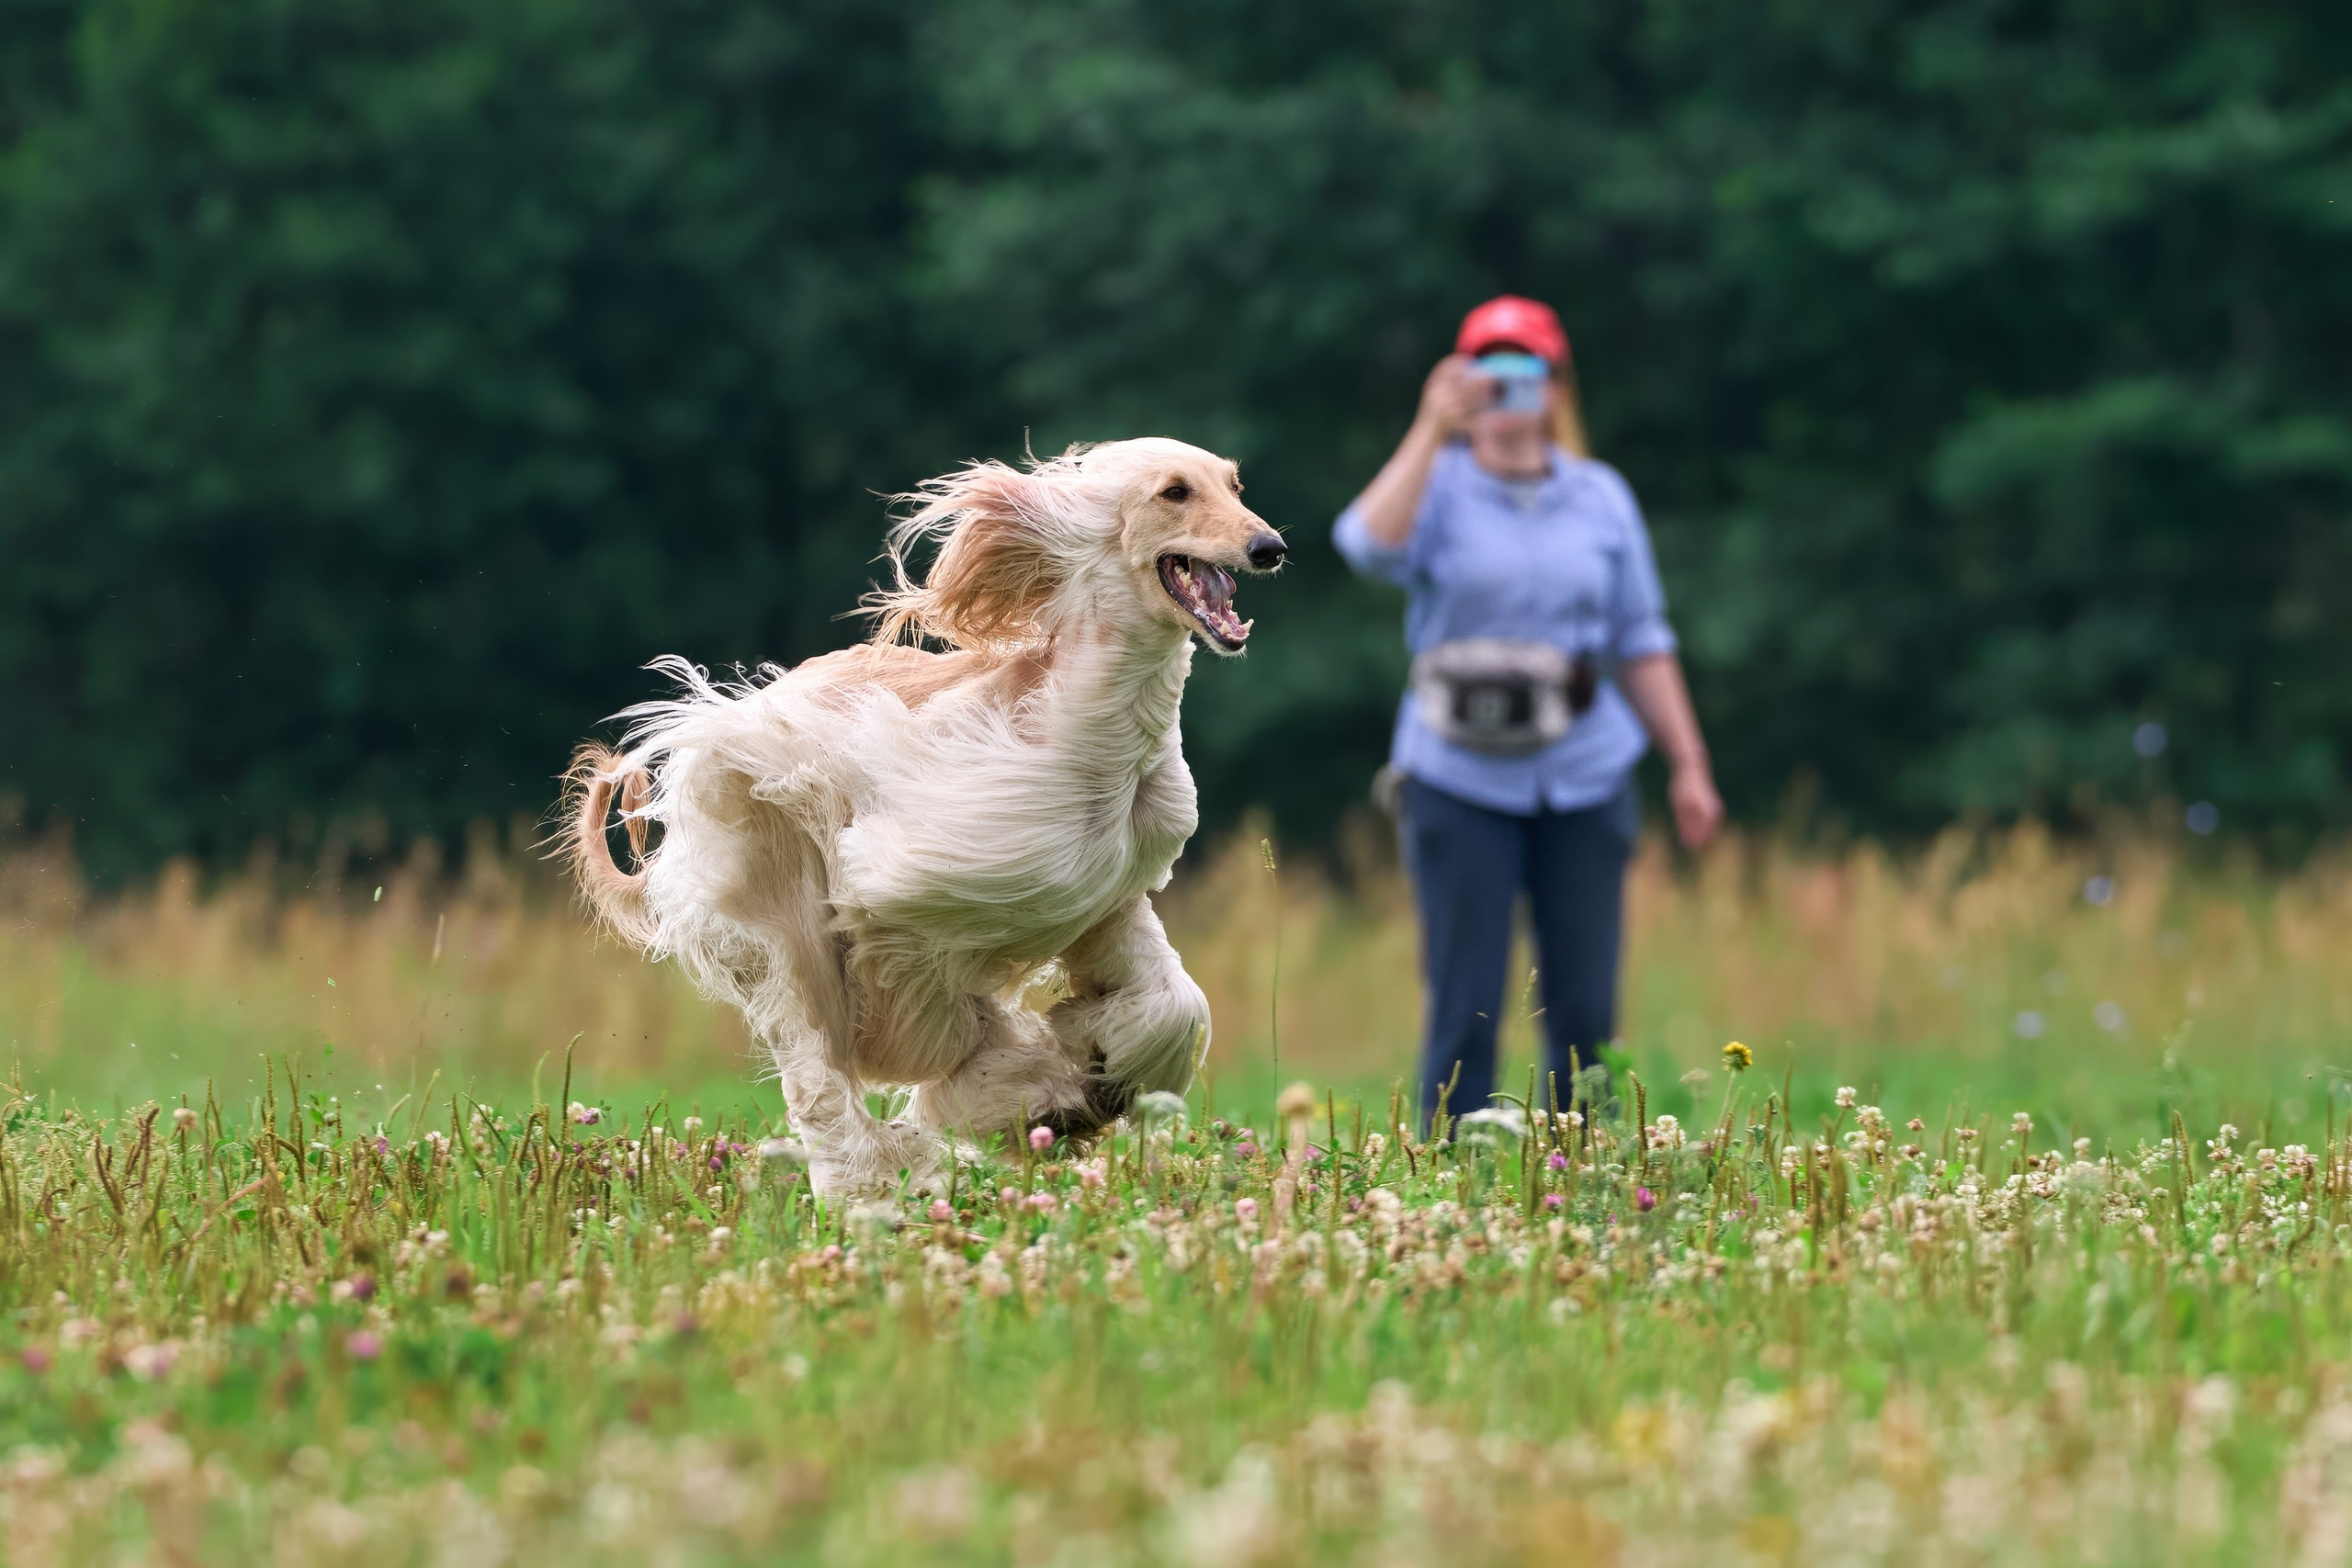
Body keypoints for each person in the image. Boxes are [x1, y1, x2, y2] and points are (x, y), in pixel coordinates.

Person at [1333, 295, 1723, 1129]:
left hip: (1586, 773)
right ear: (1462, 380)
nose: (1508, 390)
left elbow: (1641, 638)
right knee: (1465, 1004)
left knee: (1585, 1010)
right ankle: (1447, 1183)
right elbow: (1366, 546)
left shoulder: (1601, 496)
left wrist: (1688, 764)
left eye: (1527, 370)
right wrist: (1428, 431)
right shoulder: (1435, 486)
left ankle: (1579, 1183)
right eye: (1490, 369)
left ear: (1555, 387)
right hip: (1454, 775)